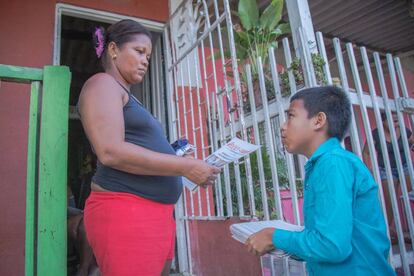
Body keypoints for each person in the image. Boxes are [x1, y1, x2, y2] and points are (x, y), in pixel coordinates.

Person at [78, 19, 220, 276]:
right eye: (139, 51)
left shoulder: (129, 97)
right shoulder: (102, 84)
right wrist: (186, 166)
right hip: (126, 211)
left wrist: (176, 157)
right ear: (113, 49)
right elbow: (110, 151)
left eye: (149, 55)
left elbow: (137, 146)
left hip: (156, 215)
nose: (146, 60)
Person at [245, 86, 394, 275]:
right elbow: (326, 240)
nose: (283, 126)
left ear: (318, 120)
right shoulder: (324, 164)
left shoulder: (333, 163)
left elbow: (332, 246)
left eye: (291, 116)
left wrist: (273, 236)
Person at [362, 112, 414, 243]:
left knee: (408, 198)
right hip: (386, 170)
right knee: (390, 203)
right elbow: (366, 152)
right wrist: (370, 171)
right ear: (383, 121)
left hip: (405, 166)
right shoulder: (376, 133)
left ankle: (411, 230)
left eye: (397, 121)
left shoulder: (405, 131)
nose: (395, 124)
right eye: (392, 121)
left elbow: (411, 145)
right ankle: (388, 233)